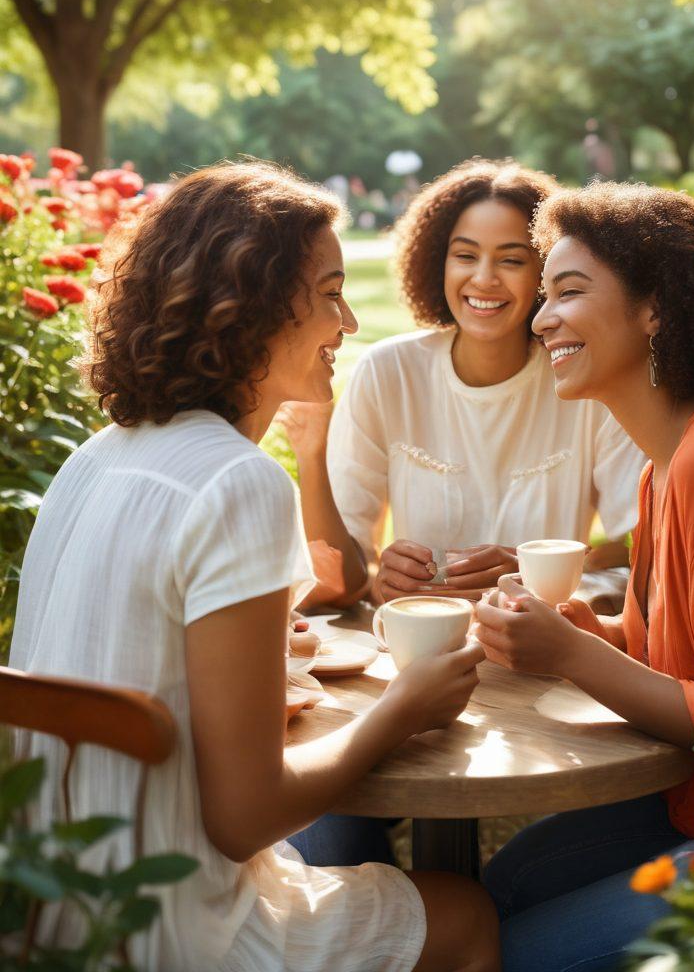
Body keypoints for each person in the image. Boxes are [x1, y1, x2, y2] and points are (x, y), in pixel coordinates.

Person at [9, 161, 499, 972]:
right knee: (469, 914)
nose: (347, 321)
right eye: (331, 293)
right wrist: (402, 708)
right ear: (252, 303)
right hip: (167, 927)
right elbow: (244, 819)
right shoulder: (240, 483)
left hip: (54, 906)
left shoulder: (94, 458)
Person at [474, 181, 694, 972]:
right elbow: (678, 666)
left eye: (569, 292)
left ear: (656, 310)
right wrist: (585, 631)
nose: (541, 319)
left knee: (510, 954)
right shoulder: (662, 468)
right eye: (545, 296)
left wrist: (571, 656)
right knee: (495, 891)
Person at [281, 158, 645, 617]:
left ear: (546, 273)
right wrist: (381, 580)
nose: (484, 279)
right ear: (438, 261)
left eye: (511, 259)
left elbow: (640, 557)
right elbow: (341, 575)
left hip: (544, 649)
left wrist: (537, 577)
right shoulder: (389, 373)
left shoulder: (587, 384)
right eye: (465, 256)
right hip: (420, 646)